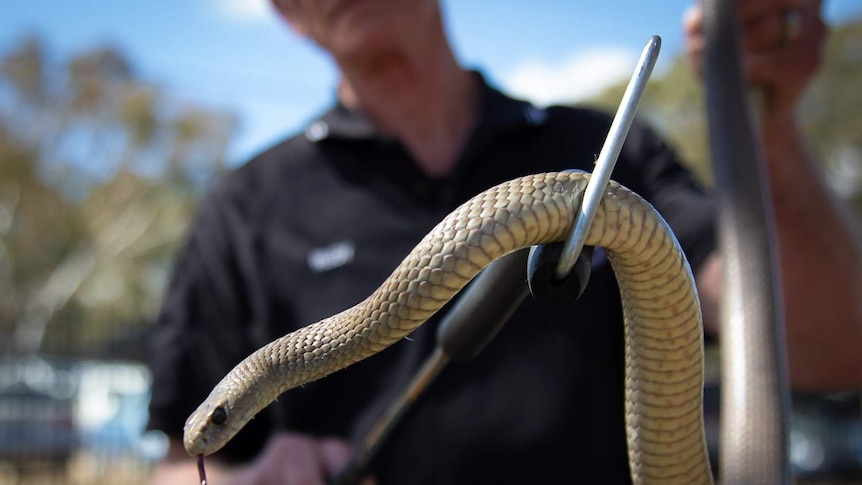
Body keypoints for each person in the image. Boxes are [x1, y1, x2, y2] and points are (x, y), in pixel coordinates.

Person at [147, 0, 862, 483]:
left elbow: (829, 347)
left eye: (222, 413)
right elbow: (184, 461)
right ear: (284, 14)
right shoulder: (242, 208)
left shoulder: (605, 149)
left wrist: (761, 115)